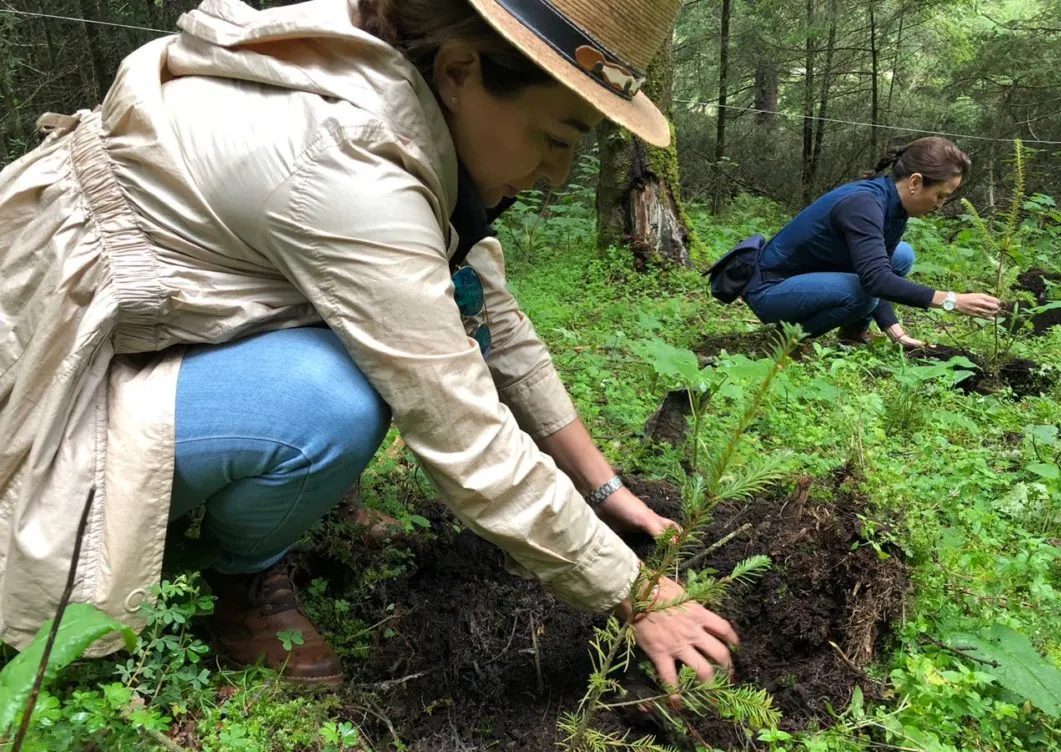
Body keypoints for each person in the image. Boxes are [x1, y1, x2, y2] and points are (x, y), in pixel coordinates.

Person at [0, 0, 738, 692]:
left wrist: (605, 489)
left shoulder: (396, 83)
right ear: (460, 72)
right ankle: (239, 576)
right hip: (52, 370)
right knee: (336, 396)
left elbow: (491, 318)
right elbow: (464, 432)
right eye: (555, 138)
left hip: (145, 334)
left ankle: (262, 505)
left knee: (361, 346)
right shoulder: (348, 163)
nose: (557, 175)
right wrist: (634, 595)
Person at [741, 137, 1001, 347]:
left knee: (902, 255)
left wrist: (896, 333)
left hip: (807, 279)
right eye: (940, 195)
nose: (940, 205)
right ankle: (785, 341)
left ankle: (853, 332)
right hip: (770, 289)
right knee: (862, 295)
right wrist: (951, 299)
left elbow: (879, 270)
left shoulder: (895, 207)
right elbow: (875, 281)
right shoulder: (863, 204)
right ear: (915, 182)